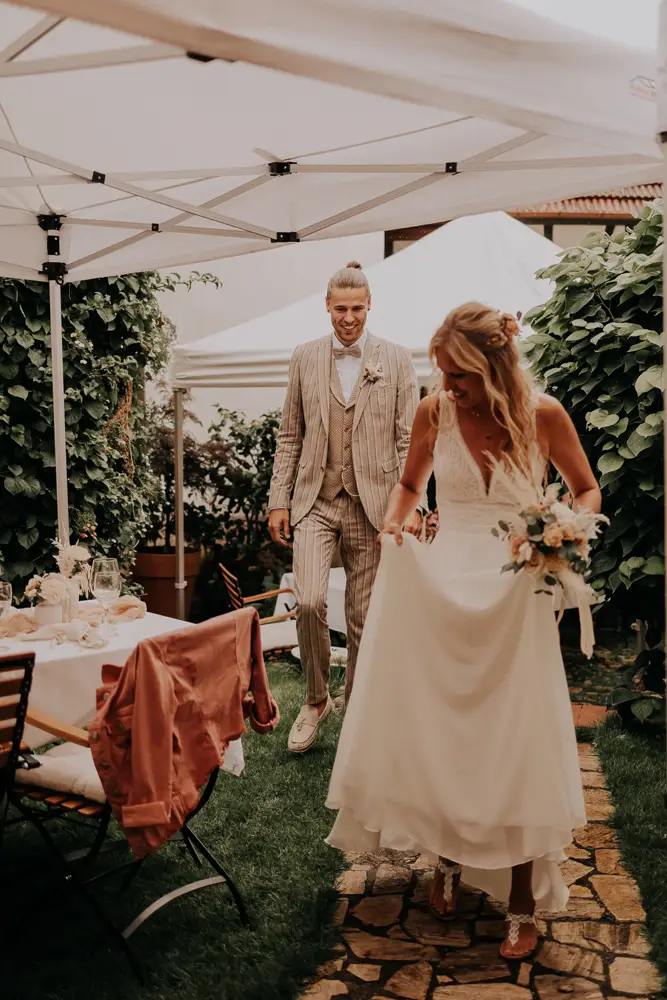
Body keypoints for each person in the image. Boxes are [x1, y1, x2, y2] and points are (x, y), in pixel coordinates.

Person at [325, 302, 601, 960]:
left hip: (514, 589)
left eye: (459, 377)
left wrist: (558, 529)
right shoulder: (432, 412)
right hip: (442, 587)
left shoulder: (544, 415)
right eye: (443, 374)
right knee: (445, 727)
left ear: (495, 366)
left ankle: (520, 900)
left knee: (512, 736)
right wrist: (396, 524)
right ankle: (445, 858)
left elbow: (585, 489)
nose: (446, 387)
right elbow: (407, 485)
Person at [268, 262, 423, 754]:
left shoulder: (397, 361)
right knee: (310, 599)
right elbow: (290, 434)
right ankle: (316, 700)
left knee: (363, 619)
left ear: (369, 305)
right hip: (315, 500)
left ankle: (358, 712)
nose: (348, 318)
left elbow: (408, 441)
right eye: (340, 309)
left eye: (356, 309)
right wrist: (278, 500)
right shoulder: (303, 357)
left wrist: (411, 506)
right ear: (327, 306)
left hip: (374, 506)